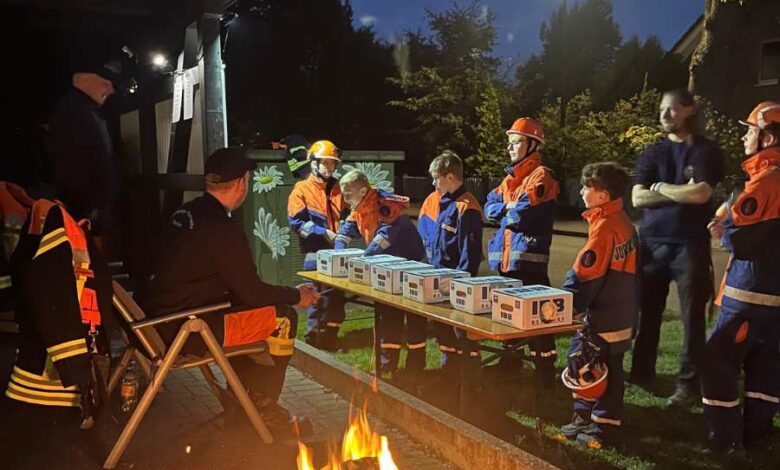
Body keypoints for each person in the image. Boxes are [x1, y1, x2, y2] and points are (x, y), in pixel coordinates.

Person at [141, 148, 320, 431]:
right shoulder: (222, 228)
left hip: (161, 320)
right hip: (187, 329)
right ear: (241, 183)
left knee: (249, 315)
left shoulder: (186, 212)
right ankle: (261, 406)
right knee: (283, 318)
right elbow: (253, 292)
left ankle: (242, 397)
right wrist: (297, 295)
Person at [629, 89, 725, 408]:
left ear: (688, 110)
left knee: (692, 317)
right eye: (661, 110)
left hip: (689, 244)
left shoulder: (705, 151)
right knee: (648, 313)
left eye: (671, 110)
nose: (665, 115)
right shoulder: (652, 152)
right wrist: (677, 192)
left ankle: (687, 386)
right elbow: (637, 198)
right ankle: (642, 374)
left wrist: (660, 188)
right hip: (652, 244)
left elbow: (701, 193)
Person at [700, 102, 780, 454]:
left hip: (746, 295)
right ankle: (756, 435)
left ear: (769, 136)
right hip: (775, 300)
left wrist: (723, 229)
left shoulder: (765, 183)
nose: (745, 136)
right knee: (766, 371)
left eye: (750, 130)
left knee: (718, 364)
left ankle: (724, 440)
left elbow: (744, 239)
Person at [560, 162, 639, 449]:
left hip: (602, 316)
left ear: (602, 195)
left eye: (586, 187)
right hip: (620, 312)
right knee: (607, 366)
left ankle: (600, 428)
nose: (581, 192)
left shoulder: (605, 227)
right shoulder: (623, 222)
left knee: (589, 364)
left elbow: (585, 275)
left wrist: (567, 305)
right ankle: (589, 420)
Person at [484, 117, 560, 382]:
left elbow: (521, 216)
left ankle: (545, 371)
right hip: (507, 263)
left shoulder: (541, 176)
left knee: (539, 319)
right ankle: (511, 363)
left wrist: (505, 210)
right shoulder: (509, 180)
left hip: (529, 263)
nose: (510, 147)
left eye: (515, 142)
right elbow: (489, 208)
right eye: (510, 142)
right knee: (509, 315)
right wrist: (508, 208)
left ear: (532, 144)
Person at [334, 170, 427, 378]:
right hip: (387, 270)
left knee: (414, 321)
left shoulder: (387, 208)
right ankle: (387, 365)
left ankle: (416, 368)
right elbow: (344, 234)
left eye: (348, 194)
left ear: (363, 190)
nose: (345, 199)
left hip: (411, 268)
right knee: (388, 319)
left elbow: (381, 243)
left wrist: (358, 263)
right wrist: (339, 255)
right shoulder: (358, 208)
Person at [418, 151, 483, 377]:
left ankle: (469, 376)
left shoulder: (467, 208)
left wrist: (459, 287)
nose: (434, 183)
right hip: (440, 280)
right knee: (443, 331)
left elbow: (469, 254)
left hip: (455, 284)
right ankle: (450, 372)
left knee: (460, 333)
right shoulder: (447, 204)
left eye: (437, 177)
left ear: (449, 177)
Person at [47, 56, 122, 251]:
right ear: (83, 80)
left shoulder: (84, 110)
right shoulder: (75, 112)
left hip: (87, 208)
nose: (111, 90)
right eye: (105, 83)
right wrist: (91, 206)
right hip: (81, 211)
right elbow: (75, 162)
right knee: (85, 261)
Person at [287, 140, 348, 351]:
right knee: (316, 297)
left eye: (333, 164)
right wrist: (323, 232)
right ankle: (313, 338)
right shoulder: (301, 190)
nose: (330, 168)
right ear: (314, 163)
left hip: (336, 252)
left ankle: (331, 338)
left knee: (336, 297)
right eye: (326, 163)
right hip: (314, 252)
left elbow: (352, 211)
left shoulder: (338, 188)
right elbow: (297, 223)